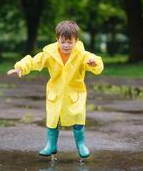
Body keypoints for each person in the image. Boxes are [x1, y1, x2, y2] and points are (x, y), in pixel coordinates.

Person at [7, 20, 103, 159]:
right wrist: (21, 66)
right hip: (55, 92)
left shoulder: (82, 55)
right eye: (62, 41)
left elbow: (95, 63)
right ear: (57, 39)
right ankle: (51, 145)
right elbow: (35, 61)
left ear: (76, 41)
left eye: (70, 42)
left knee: (78, 117)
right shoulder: (50, 54)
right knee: (52, 119)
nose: (66, 45)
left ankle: (81, 144)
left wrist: (94, 63)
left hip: (75, 93)